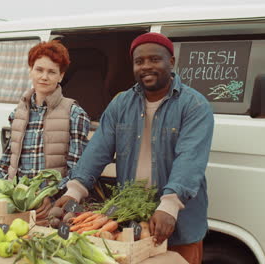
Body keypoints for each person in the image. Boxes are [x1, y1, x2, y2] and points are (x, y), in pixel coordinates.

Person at [54, 32, 214, 264]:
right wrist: (75, 189)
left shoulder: (194, 105)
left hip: (178, 221)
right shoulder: (121, 103)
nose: (146, 66)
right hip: (133, 218)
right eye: (139, 62)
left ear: (171, 62)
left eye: (154, 59)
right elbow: (98, 149)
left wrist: (170, 205)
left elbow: (189, 160)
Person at [0, 40, 91, 223]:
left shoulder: (75, 113)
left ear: (61, 76)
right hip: (20, 205)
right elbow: (6, 163)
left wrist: (50, 197)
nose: (44, 77)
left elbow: (78, 169)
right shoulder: (18, 113)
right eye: (39, 70)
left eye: (52, 72)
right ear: (30, 71)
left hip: (55, 207)